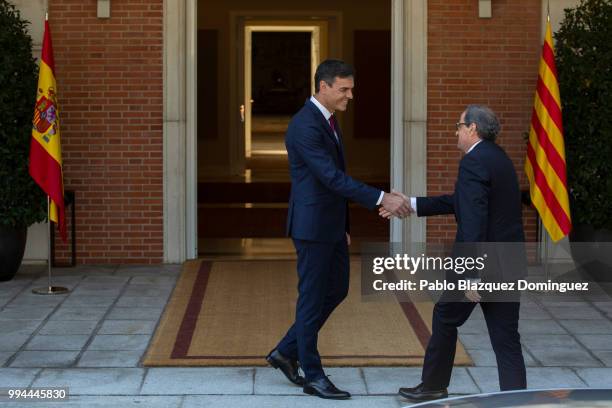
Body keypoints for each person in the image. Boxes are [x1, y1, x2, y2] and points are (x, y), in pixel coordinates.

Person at [266, 59, 410, 400]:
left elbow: (331, 182)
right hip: (312, 227)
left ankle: (285, 351)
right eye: (344, 89)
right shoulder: (305, 125)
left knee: (337, 290)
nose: (350, 96)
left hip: (330, 226)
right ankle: (313, 375)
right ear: (323, 87)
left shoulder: (327, 120)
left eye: (351, 89)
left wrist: (343, 225)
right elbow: (330, 178)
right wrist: (381, 197)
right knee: (312, 299)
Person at [381, 105, 527, 401]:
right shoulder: (499, 158)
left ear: (473, 128)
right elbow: (461, 203)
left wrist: (471, 274)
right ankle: (517, 400)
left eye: (459, 126)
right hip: (508, 263)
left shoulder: (473, 162)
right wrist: (411, 203)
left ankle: (433, 385)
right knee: (506, 337)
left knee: (446, 317)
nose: (456, 132)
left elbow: (473, 221)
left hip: (481, 267)